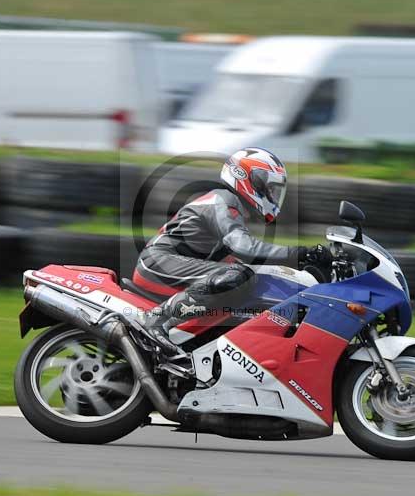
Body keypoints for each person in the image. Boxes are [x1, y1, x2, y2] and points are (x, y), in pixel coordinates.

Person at [132, 147, 332, 355]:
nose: (273, 196)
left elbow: (241, 258)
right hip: (158, 262)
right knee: (236, 275)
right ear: (247, 177)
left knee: (245, 276)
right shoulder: (222, 200)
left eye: (276, 192)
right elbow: (243, 247)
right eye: (270, 188)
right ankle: (155, 319)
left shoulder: (232, 208)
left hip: (173, 263)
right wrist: (300, 253)